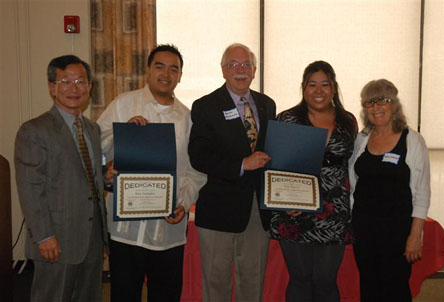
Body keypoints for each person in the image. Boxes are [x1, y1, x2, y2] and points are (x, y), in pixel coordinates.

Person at [97, 44, 205, 302]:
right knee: (124, 293)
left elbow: (197, 170)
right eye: (160, 66)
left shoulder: (188, 118)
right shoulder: (123, 104)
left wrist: (185, 203)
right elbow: (96, 147)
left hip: (168, 227)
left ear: (180, 75)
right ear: (148, 70)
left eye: (174, 69)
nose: (166, 74)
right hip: (126, 227)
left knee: (166, 294)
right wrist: (122, 133)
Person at [15, 55, 108, 302]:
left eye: (80, 81)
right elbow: (31, 188)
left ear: (89, 86)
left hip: (91, 237)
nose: (74, 88)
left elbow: (88, 178)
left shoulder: (92, 129)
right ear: (52, 87)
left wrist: (106, 177)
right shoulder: (34, 130)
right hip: (56, 238)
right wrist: (44, 235)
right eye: (65, 81)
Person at [188, 43, 276, 302]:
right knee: (217, 282)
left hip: (256, 209)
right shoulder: (205, 105)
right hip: (218, 208)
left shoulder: (267, 104)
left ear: (254, 70)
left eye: (246, 64)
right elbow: (199, 156)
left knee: (253, 279)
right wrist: (241, 164)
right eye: (234, 65)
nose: (241, 70)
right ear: (223, 70)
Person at [269, 61, 357, 302]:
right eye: (312, 84)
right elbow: (274, 166)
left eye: (325, 84)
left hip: (334, 213)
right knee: (300, 279)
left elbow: (354, 164)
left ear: (334, 88)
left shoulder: (348, 121)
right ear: (303, 88)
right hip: (295, 212)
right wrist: (284, 202)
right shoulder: (287, 119)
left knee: (326, 281)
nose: (319, 91)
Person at [349, 79, 430, 302]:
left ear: (394, 104)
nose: (375, 107)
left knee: (395, 289)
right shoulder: (362, 139)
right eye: (369, 102)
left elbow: (422, 192)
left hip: (397, 231)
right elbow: (353, 183)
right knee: (369, 286)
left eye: (382, 100)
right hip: (364, 230)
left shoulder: (412, 140)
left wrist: (415, 236)